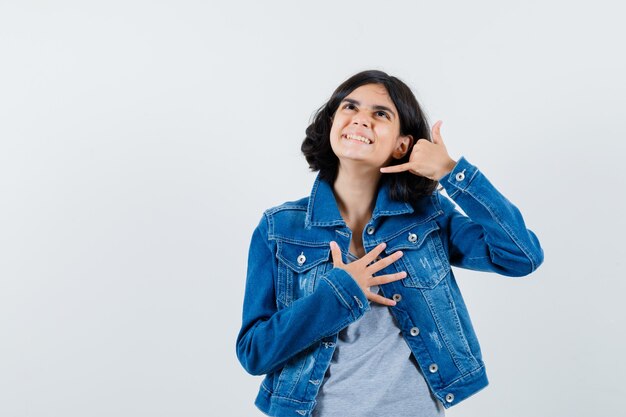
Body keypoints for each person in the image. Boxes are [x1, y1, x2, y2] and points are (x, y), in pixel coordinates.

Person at [236, 70, 544, 417]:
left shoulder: (428, 217)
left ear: (402, 145)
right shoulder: (279, 228)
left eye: (380, 114)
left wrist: (451, 172)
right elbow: (254, 353)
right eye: (349, 107)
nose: (360, 119)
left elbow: (521, 257)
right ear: (332, 123)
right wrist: (339, 293)